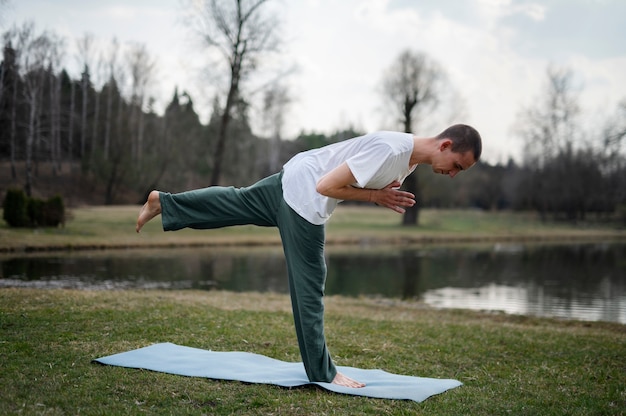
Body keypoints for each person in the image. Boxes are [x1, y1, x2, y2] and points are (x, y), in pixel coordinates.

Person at [136, 124, 482, 388]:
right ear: (446, 145)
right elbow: (326, 187)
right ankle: (323, 372)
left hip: (296, 174)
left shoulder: (405, 158)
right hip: (305, 196)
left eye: (458, 172)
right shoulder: (392, 151)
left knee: (234, 202)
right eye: (456, 165)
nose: (452, 173)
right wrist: (375, 197)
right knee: (311, 284)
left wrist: (374, 193)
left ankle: (164, 202)